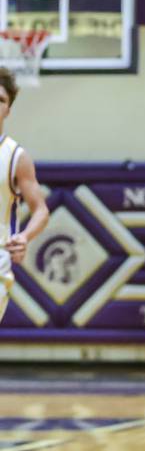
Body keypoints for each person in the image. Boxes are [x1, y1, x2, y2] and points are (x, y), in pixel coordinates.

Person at [0, 68, 49, 322]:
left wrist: (24, 236)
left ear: (8, 110)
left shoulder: (16, 157)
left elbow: (41, 209)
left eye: (1, 101)